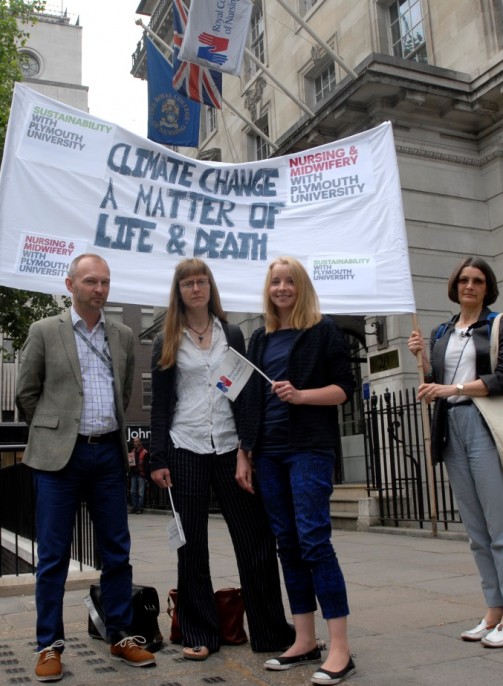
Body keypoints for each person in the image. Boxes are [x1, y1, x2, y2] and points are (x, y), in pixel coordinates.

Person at [16, 253, 155, 682]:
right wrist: (56, 431)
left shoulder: (124, 334)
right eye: (91, 281)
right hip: (61, 458)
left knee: (117, 551)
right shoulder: (44, 331)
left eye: (105, 282)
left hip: (108, 457)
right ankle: (49, 645)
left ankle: (121, 634)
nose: (99, 289)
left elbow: (124, 387)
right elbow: (26, 393)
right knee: (54, 555)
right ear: (70, 284)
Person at [148, 258, 295, 662]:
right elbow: (160, 405)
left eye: (201, 282)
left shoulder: (231, 333)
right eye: (188, 284)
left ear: (210, 287)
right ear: (178, 292)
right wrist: (157, 457)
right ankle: (199, 632)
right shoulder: (168, 338)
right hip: (185, 446)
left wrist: (247, 446)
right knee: (192, 545)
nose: (196, 289)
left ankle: (269, 630)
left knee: (256, 539)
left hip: (231, 449)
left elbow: (246, 394)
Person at [238, 256, 357, 686]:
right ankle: (304, 638)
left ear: (301, 287)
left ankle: (340, 647)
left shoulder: (322, 331)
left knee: (313, 540)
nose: (282, 288)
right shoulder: (259, 338)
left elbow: (345, 389)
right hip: (267, 452)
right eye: (275, 282)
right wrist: (243, 452)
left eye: (289, 281)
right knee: (287, 543)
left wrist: (302, 396)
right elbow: (249, 399)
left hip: (308, 449)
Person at [407, 256, 503, 649]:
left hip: (485, 424)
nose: (470, 286)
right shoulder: (442, 330)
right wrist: (423, 361)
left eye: (478, 280)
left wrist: (453, 390)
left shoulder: (501, 324)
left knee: (500, 528)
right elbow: (435, 383)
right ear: (455, 285)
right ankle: (493, 611)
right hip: (451, 428)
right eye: (464, 280)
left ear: (487, 287)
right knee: (477, 532)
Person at [128, 437, 148, 514]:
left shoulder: (145, 452)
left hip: (141, 474)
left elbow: (146, 465)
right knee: (133, 491)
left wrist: (146, 476)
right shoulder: (132, 451)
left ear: (140, 442)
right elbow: (130, 463)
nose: (135, 443)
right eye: (134, 442)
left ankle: (140, 507)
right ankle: (135, 507)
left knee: (141, 492)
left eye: (136, 442)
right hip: (134, 474)